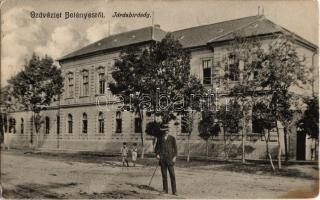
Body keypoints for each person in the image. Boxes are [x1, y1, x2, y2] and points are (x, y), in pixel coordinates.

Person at [155, 129, 178, 195]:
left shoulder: (172, 138)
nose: (166, 131)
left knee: (172, 175)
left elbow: (175, 148)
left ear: (168, 131)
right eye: (164, 130)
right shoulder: (159, 138)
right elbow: (156, 148)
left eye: (167, 130)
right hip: (162, 160)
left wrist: (174, 157)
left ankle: (174, 191)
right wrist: (157, 155)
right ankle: (165, 190)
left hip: (170, 159)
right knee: (164, 175)